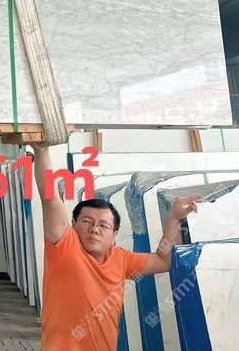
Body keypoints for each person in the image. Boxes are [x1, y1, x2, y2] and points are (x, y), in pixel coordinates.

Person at [31, 143, 201, 351]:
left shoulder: (121, 258)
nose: (94, 229)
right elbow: (49, 198)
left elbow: (163, 260)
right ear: (73, 224)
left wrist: (173, 217)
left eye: (103, 225)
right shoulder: (64, 247)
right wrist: (42, 151)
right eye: (86, 221)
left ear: (114, 235)